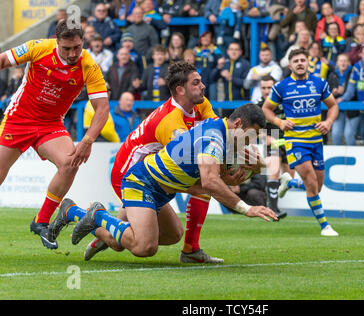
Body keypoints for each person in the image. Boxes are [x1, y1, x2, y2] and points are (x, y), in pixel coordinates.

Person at [50, 62, 235, 263]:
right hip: (129, 174)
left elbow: (219, 134)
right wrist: (224, 177)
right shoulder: (171, 122)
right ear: (181, 90)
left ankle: (96, 223)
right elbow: (183, 170)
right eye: (196, 82)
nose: (203, 86)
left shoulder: (201, 104)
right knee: (131, 242)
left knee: (172, 234)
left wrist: (231, 162)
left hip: (146, 173)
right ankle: (83, 215)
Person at [51, 104, 277, 261]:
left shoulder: (224, 134)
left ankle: (74, 212)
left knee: (165, 236)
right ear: (237, 123)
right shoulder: (214, 139)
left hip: (161, 190)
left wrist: (254, 168)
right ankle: (97, 215)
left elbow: (217, 178)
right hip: (141, 183)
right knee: (144, 247)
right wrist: (245, 208)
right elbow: (210, 182)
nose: (251, 141)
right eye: (251, 134)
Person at [0, 20, 109, 249]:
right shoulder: (38, 47)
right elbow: (3, 60)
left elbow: (102, 108)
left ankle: (41, 221)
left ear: (83, 43)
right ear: (56, 42)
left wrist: (87, 140)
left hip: (50, 124)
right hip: (19, 119)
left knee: (70, 163)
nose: (72, 53)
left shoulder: (89, 64)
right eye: (66, 48)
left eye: (77, 47)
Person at [262, 48, 340, 237]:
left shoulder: (319, 84)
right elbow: (266, 109)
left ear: (308, 63)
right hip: (295, 141)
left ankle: (289, 183)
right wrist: (280, 122)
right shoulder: (281, 87)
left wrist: (328, 122)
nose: (299, 63)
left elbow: (333, 106)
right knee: (311, 181)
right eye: (295, 60)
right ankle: (325, 226)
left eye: (302, 60)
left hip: (316, 141)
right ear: (290, 65)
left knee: (316, 187)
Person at [256, 75, 293, 219]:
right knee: (274, 171)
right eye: (263, 88)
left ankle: (271, 198)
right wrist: (265, 137)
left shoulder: (285, 102)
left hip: (289, 140)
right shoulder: (258, 106)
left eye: (269, 88)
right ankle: (273, 208)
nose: (266, 91)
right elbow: (253, 129)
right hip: (273, 140)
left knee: (289, 177)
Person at [337, 46, 364, 146]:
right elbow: (351, 89)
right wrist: (343, 98)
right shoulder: (356, 67)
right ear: (361, 55)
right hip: (362, 108)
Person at [211, 42, 250, 117]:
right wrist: (218, 68)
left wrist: (231, 78)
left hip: (242, 104)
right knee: (226, 127)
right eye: (231, 49)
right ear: (227, 51)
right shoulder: (224, 64)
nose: (233, 52)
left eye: (236, 49)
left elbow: (246, 84)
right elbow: (212, 79)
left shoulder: (245, 64)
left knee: (241, 128)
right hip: (226, 104)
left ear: (240, 52)